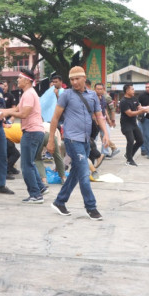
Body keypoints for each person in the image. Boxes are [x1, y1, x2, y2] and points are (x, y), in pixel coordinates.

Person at [45, 66, 110, 221]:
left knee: (75, 172)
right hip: (72, 140)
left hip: (87, 140)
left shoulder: (93, 95)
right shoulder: (66, 95)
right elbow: (55, 118)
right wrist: (50, 141)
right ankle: (91, 207)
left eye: (77, 79)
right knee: (84, 174)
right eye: (72, 79)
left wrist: (105, 134)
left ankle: (60, 201)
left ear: (84, 78)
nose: (74, 82)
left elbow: (99, 116)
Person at [3, 68, 47, 203]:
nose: (17, 80)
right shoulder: (27, 93)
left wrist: (6, 114)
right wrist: (1, 111)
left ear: (27, 80)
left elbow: (23, 114)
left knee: (26, 166)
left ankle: (35, 195)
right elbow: (16, 109)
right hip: (36, 132)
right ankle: (40, 188)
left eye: (20, 78)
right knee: (30, 163)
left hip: (31, 132)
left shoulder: (28, 94)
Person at [39, 74, 66, 182]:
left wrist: (57, 96)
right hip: (47, 122)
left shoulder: (63, 92)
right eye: (53, 82)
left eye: (56, 81)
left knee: (57, 148)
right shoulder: (50, 92)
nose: (54, 84)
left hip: (58, 122)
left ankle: (60, 172)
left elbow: (62, 106)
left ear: (61, 82)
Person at [118, 83, 147, 166]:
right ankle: (129, 160)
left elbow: (139, 106)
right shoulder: (123, 101)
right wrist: (141, 111)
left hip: (133, 124)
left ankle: (128, 155)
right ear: (127, 91)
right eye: (132, 89)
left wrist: (145, 109)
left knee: (140, 140)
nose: (134, 91)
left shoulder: (134, 98)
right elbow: (130, 113)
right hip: (126, 125)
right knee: (130, 140)